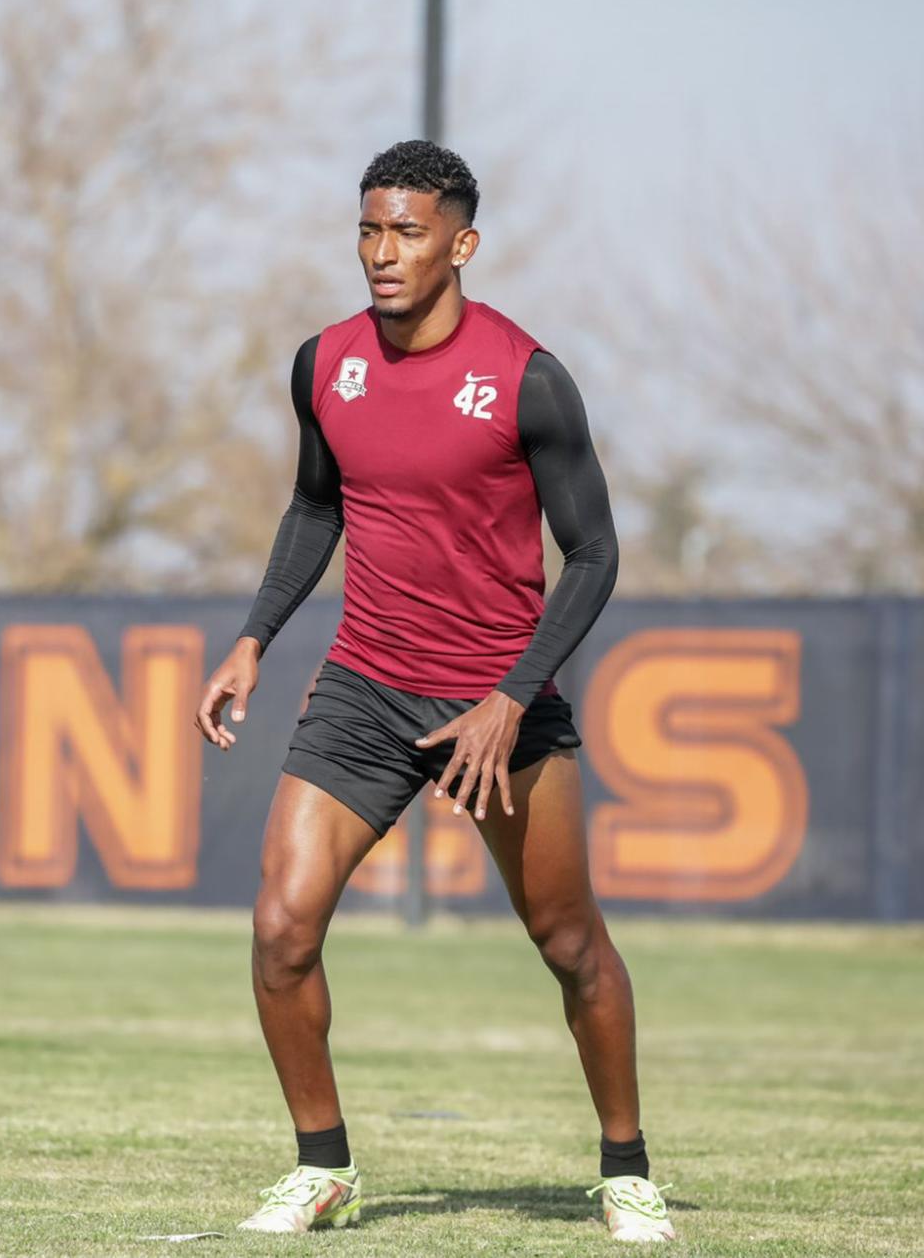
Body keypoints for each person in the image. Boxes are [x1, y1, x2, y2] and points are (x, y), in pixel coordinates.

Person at [194, 142, 673, 1243]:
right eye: (367, 229)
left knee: (567, 943)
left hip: (497, 706)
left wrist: (515, 694)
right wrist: (253, 639)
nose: (381, 252)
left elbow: (592, 555)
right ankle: (323, 1168)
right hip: (362, 689)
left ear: (460, 243)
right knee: (279, 930)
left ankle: (625, 1167)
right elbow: (314, 509)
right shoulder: (324, 363)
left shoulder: (526, 377)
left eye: (406, 232)